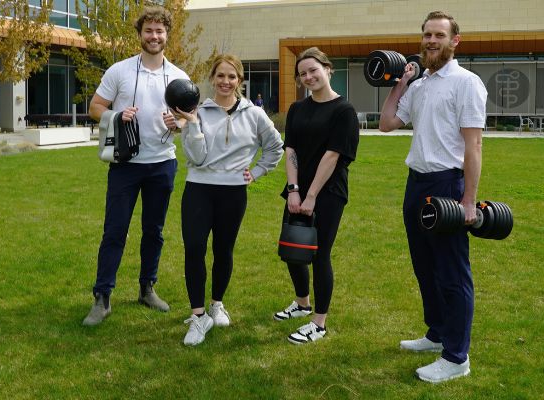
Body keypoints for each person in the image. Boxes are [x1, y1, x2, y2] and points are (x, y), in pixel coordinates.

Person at [379, 11, 487, 383]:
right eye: (427, 34)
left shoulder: (466, 83)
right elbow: (387, 123)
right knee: (425, 267)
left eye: (439, 35)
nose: (431, 40)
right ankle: (436, 333)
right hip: (417, 184)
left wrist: (468, 201)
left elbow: (473, 145)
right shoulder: (421, 85)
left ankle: (457, 357)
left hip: (447, 184)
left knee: (452, 273)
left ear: (455, 41)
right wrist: (400, 83)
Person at [82, 7, 190, 326]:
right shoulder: (120, 71)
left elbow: (188, 118)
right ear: (140, 34)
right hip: (125, 165)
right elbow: (95, 107)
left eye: (159, 31)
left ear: (167, 34)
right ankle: (102, 297)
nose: (154, 36)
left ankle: (147, 288)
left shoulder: (179, 77)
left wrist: (179, 124)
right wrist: (116, 116)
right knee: (115, 230)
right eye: (148, 30)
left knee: (153, 232)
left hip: (162, 164)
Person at [173, 54, 284, 346]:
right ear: (212, 79)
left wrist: (258, 170)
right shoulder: (196, 111)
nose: (225, 82)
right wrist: (194, 123)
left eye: (231, 77)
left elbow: (275, 147)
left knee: (224, 250)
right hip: (199, 188)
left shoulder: (255, 114)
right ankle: (198, 317)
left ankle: (216, 304)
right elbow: (196, 157)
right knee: (194, 248)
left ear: (240, 80)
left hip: (233, 192)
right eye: (220, 76)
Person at [274, 47, 359, 345]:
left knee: (319, 254)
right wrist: (294, 190)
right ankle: (301, 304)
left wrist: (311, 197)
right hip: (298, 191)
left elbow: (333, 156)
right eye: (302, 74)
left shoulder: (344, 111)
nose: (308, 77)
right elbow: (291, 150)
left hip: (328, 194)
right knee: (293, 251)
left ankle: (318, 323)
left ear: (327, 69)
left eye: (313, 70)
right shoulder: (298, 109)